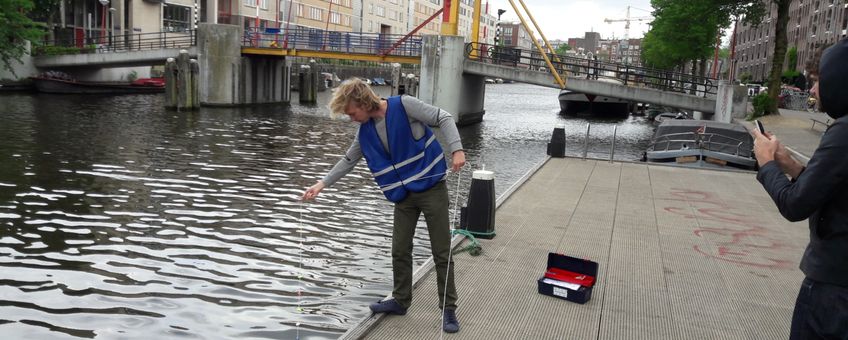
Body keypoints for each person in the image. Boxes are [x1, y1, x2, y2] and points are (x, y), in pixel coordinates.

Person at [301, 78, 465, 333]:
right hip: (404, 196)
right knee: (399, 250)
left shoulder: (405, 105)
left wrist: (457, 150)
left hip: (432, 189)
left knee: (441, 252)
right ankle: (400, 300)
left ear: (362, 102)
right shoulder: (364, 132)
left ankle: (448, 308)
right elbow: (348, 160)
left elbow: (443, 117)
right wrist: (321, 184)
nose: (352, 118)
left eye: (352, 113)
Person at [751, 39, 848, 339]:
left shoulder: (844, 133)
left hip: (834, 288)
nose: (814, 91)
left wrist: (766, 164)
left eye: (819, 81)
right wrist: (789, 164)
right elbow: (835, 188)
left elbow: (795, 204)